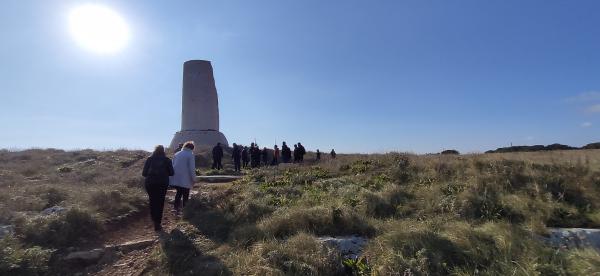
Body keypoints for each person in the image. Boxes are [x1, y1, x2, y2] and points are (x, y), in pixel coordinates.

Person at [142, 145, 174, 231]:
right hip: (162, 183)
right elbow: (172, 173)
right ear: (163, 151)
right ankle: (157, 222)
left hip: (150, 183)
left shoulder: (149, 159)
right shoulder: (167, 160)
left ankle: (154, 219)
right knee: (160, 202)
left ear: (155, 150)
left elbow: (144, 174)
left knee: (152, 200)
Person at [170, 141, 196, 215]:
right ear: (192, 148)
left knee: (178, 193)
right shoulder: (190, 155)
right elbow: (192, 168)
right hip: (186, 178)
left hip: (176, 177)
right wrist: (194, 179)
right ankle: (185, 210)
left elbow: (172, 165)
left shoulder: (177, 154)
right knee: (186, 194)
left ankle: (175, 208)